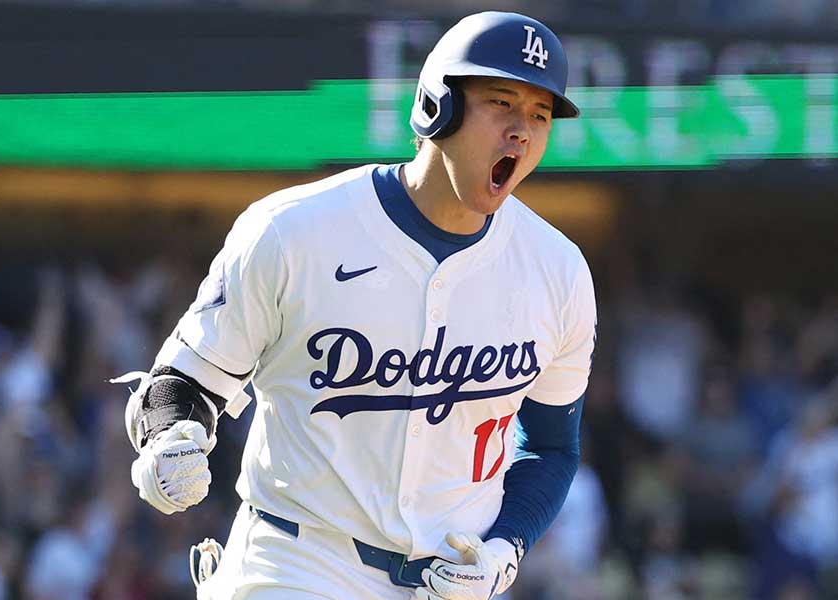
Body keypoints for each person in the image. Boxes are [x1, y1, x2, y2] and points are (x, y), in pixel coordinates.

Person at [115, 11, 596, 600]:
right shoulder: (294, 231)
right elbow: (183, 383)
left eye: (540, 115)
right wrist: (171, 438)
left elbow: (551, 448)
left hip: (451, 581)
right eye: (501, 103)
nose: (522, 131)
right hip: (298, 561)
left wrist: (504, 549)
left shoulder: (559, 271)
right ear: (437, 105)